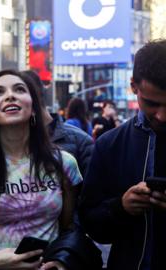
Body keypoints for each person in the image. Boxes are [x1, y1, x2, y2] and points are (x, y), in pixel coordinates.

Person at [0, 70, 82, 270]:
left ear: (33, 107)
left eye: (19, 89)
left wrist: (60, 261)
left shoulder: (64, 164)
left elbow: (67, 228)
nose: (10, 95)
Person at [79, 39, 166, 270]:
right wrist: (121, 207)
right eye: (152, 104)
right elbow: (91, 222)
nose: (162, 116)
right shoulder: (109, 144)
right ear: (133, 86)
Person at [23, 70, 93, 177]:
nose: (10, 98)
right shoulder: (1, 143)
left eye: (19, 90)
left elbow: (91, 191)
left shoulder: (81, 142)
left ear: (34, 95)